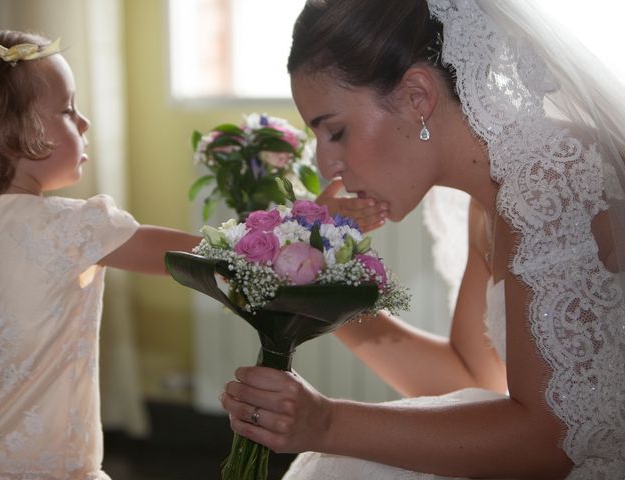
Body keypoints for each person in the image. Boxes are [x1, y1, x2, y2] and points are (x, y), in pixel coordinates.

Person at [219, 0, 625, 479]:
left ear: (417, 96)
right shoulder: (491, 202)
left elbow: (554, 438)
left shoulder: (549, 179)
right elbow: (471, 377)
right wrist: (314, 287)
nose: (327, 165)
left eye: (336, 131)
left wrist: (326, 422)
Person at [0, 25, 384, 479]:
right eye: (67, 109)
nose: (84, 122)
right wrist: (313, 219)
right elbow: (213, 254)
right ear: (14, 131)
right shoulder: (74, 229)